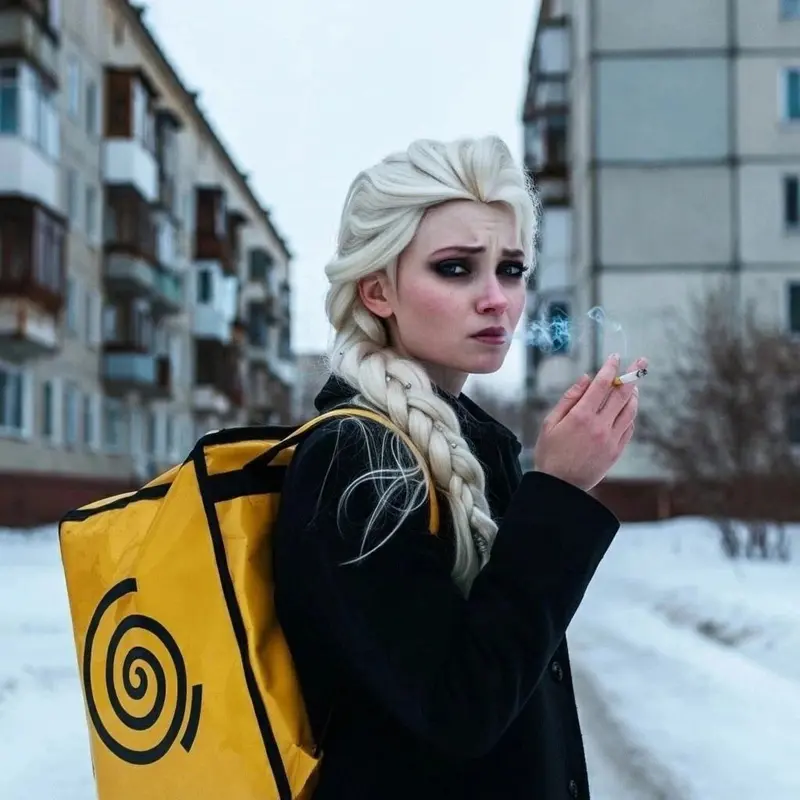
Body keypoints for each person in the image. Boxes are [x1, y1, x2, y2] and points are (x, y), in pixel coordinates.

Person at [272, 136, 645, 799]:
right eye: (455, 269)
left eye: (511, 269)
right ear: (377, 290)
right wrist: (559, 490)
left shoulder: (472, 441)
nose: (497, 299)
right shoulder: (354, 461)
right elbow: (460, 710)